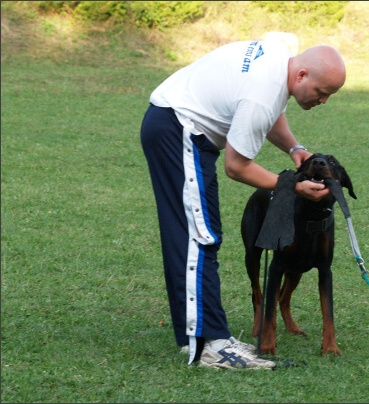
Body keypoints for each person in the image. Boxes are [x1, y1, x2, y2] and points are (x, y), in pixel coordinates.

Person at [140, 40, 346, 369]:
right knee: (200, 235)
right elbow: (236, 166)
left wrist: (294, 147)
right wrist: (293, 185)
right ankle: (213, 346)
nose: (323, 100)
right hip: (179, 129)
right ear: (302, 75)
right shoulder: (261, 94)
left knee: (195, 233)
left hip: (172, 122)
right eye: (322, 92)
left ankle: (201, 336)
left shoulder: (282, 54)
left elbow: (272, 108)